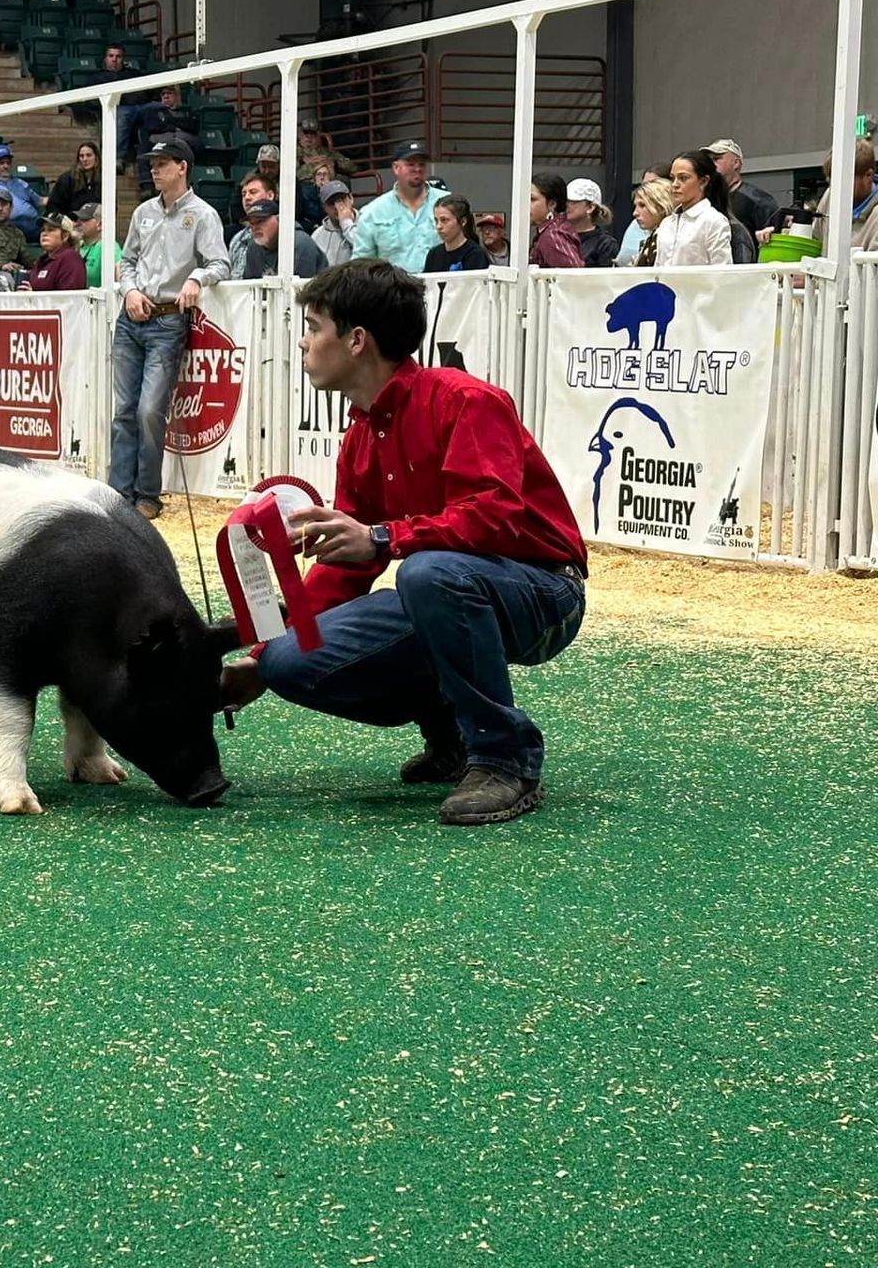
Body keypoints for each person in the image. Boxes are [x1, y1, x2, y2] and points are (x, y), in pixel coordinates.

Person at [218, 259, 588, 827]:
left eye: (314, 326)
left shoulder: (467, 400)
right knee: (293, 662)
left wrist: (383, 537)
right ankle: (449, 730)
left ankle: (503, 758)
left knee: (429, 572)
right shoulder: (361, 432)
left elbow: (493, 517)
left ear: (357, 340)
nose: (303, 341)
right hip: (448, 591)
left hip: (544, 592)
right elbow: (345, 566)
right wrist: (264, 661)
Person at [110, 135, 231, 519]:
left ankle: (147, 492)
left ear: (182, 167)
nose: (154, 169)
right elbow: (126, 260)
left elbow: (220, 262)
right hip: (133, 315)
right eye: (153, 163)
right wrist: (129, 289)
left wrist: (196, 277)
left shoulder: (203, 215)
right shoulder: (143, 213)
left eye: (162, 163)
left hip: (167, 318)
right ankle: (118, 493)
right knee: (125, 409)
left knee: (148, 409)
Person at [351, 141, 447, 271]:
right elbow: (361, 264)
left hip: (442, 287)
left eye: (421, 164)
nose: (417, 169)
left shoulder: (448, 203)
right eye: (410, 164)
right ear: (396, 168)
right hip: (393, 288)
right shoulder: (373, 212)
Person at [652, 149, 735, 266]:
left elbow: (722, 271)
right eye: (672, 178)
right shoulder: (666, 223)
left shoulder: (714, 221)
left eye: (683, 178)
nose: (675, 184)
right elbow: (658, 267)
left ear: (703, 182)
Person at [238, 196, 326, 279]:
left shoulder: (300, 244)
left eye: (260, 221)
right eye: (252, 223)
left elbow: (300, 290)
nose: (255, 227)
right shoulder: (253, 247)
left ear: (279, 219)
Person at [705, 138, 778, 237]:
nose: (710, 164)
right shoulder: (705, 201)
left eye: (716, 159)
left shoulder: (758, 200)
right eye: (709, 160)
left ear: (736, 163)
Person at [0, 143, 43, 234]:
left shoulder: (20, 183)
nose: (6, 166)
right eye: (1, 163)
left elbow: (40, 201)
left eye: (8, 163)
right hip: (3, 227)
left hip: (32, 223)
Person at [614, 163, 671, 264]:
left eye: (642, 205)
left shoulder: (670, 236)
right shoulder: (638, 226)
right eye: (644, 185)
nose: (635, 213)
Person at [528, 173, 585, 268]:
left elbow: (573, 277)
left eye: (532, 199)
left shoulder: (553, 235)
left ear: (552, 204)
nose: (525, 204)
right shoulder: (551, 230)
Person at [422, 196, 489, 273]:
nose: (439, 226)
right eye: (436, 220)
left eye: (444, 220)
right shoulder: (433, 254)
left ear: (463, 221)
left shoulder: (475, 254)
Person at [565, 179, 619, 267]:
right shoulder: (559, 237)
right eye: (566, 201)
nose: (566, 205)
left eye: (573, 202)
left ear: (590, 207)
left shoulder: (605, 244)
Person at [27, 214, 88, 291]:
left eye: (50, 230)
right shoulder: (42, 260)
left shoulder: (70, 258)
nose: (44, 234)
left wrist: (34, 297)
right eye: (43, 230)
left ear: (65, 236)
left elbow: (69, 298)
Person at [627, 179, 676, 267]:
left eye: (642, 205)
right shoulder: (652, 239)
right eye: (636, 206)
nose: (635, 213)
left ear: (661, 206)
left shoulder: (667, 239)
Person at [48, 142, 102, 218]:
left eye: (89, 155)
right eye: (81, 156)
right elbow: (53, 206)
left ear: (96, 157)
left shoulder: (104, 180)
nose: (85, 159)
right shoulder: (66, 179)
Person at [312, 180, 358, 266]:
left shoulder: (367, 224)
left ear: (351, 199)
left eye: (341, 199)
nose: (338, 207)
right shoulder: (317, 236)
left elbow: (370, 252)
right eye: (331, 203)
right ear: (324, 207)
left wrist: (346, 224)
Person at [74, 201, 107, 286]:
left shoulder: (108, 247)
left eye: (84, 219)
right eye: (78, 219)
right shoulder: (77, 247)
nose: (77, 223)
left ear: (100, 224)